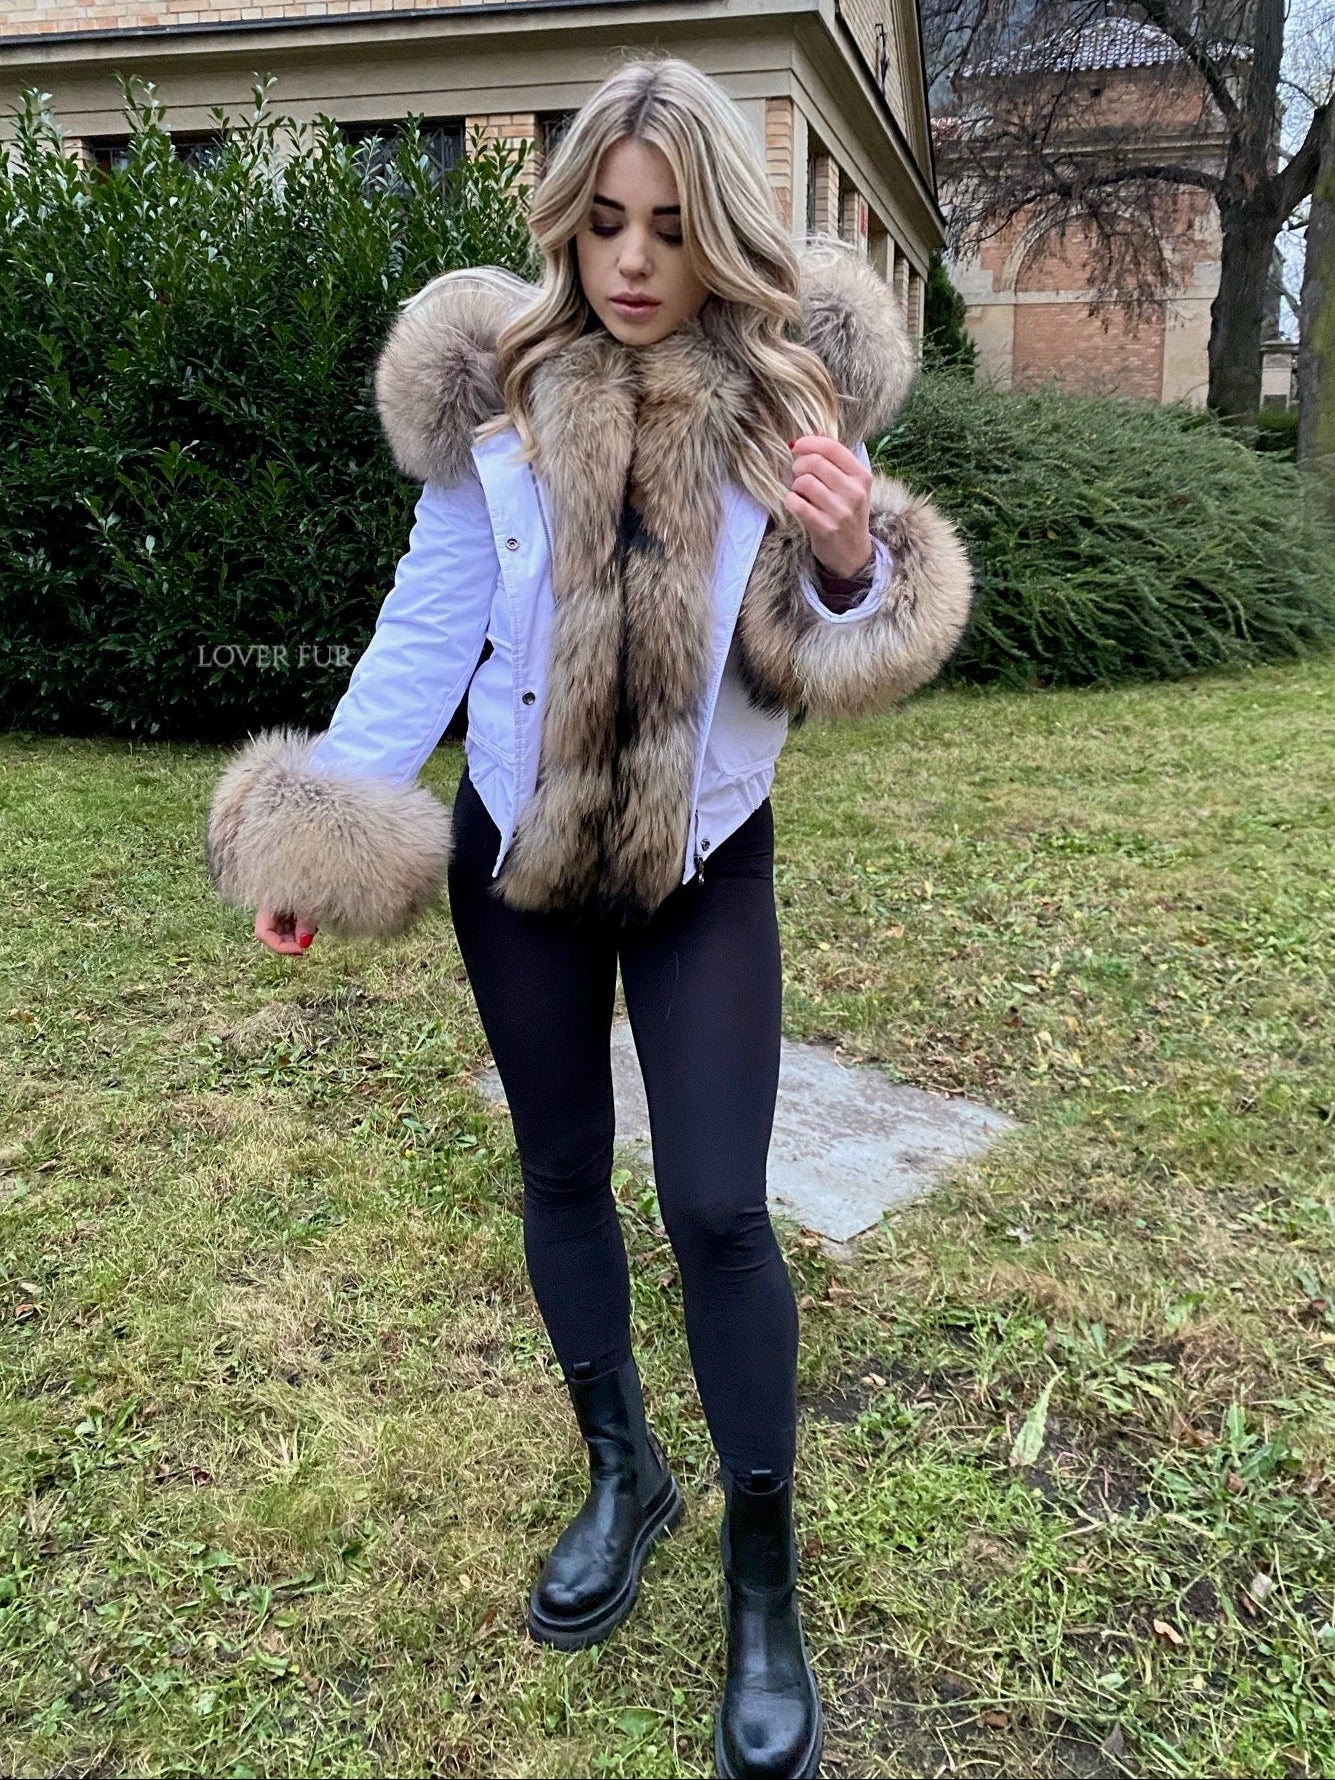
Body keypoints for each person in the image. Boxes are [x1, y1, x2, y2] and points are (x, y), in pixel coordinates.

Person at [206, 55, 972, 1780]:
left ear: (721, 231)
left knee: (714, 1208)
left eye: (672, 225)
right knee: (560, 1172)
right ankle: (626, 1469)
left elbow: (820, 639)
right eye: (605, 221)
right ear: (567, 223)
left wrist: (852, 557)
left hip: (704, 864)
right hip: (518, 862)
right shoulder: (505, 392)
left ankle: (761, 1583)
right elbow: (429, 627)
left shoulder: (793, 404)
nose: (633, 259)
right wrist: (317, 828)